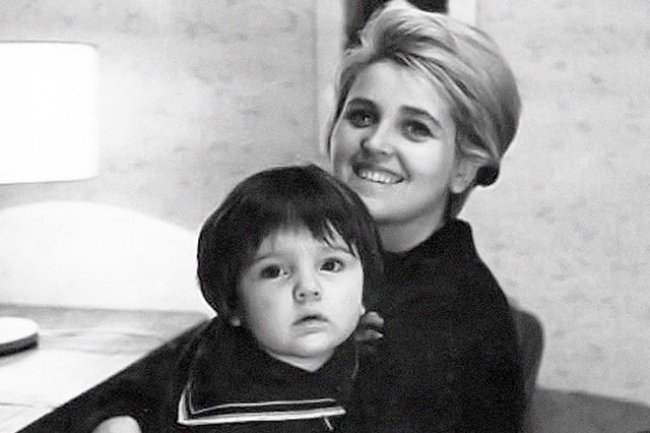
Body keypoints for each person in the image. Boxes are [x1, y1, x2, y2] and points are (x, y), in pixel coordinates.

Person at [326, 0, 536, 431]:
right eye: (362, 116)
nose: (375, 143)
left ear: (465, 167)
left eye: (416, 128)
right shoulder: (338, 264)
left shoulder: (449, 322)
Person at [92, 164, 383, 433]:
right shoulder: (215, 387)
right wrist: (118, 421)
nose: (308, 288)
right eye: (274, 271)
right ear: (234, 304)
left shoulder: (380, 359)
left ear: (364, 287)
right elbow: (127, 393)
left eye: (331, 265)